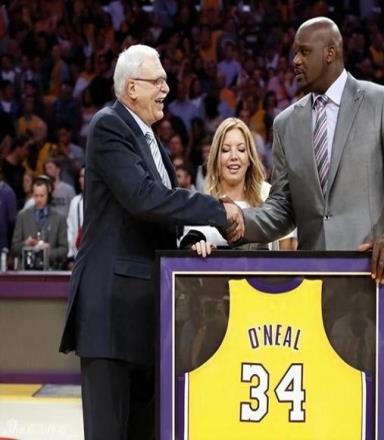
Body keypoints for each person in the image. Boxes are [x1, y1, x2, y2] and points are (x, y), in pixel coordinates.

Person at [58, 44, 240, 440]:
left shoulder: (152, 141)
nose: (166, 89)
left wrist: (193, 240)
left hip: (144, 316)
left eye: (165, 81)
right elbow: (143, 198)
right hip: (111, 314)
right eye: (157, 81)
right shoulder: (109, 125)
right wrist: (218, 210)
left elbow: (161, 219)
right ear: (131, 88)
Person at [232, 17, 384, 285]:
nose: (295, 61)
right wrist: (238, 219)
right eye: (294, 53)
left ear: (330, 53)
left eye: (304, 52)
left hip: (371, 278)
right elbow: (282, 208)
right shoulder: (285, 123)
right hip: (311, 283)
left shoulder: (380, 102)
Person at [181, 117, 273, 256]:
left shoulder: (268, 197)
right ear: (216, 159)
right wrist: (196, 250)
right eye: (225, 150)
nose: (234, 156)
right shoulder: (200, 206)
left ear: (249, 158)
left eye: (241, 149)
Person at [11, 176, 68, 269]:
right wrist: (26, 244)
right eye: (36, 195)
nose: (39, 199)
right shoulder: (22, 216)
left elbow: (64, 250)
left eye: (42, 196)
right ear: (32, 195)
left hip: (51, 270)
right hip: (27, 272)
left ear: (48, 195)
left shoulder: (59, 218)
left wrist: (47, 252)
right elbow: (14, 247)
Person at [66, 167, 85, 263]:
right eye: (81, 176)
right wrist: (71, 255)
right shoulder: (75, 201)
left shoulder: (100, 202)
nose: (83, 179)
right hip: (76, 255)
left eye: (85, 176)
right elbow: (70, 229)